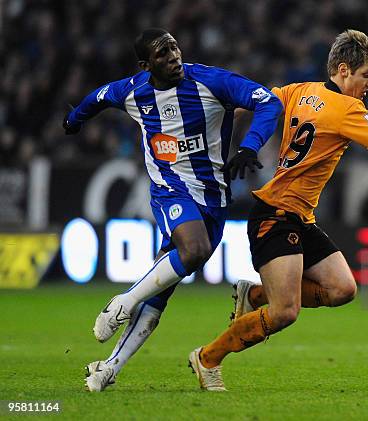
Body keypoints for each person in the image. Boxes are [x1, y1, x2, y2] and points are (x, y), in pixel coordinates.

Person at [188, 29, 368, 391]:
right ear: (344, 70)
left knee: (343, 289)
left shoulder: (299, 91)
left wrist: (202, 118)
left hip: (300, 217)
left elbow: (248, 103)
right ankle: (207, 358)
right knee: (285, 313)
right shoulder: (348, 109)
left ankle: (254, 295)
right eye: (367, 74)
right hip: (275, 215)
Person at [63, 28, 283, 392]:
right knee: (193, 251)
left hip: (213, 198)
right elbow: (98, 97)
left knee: (162, 293)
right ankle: (121, 303)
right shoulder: (134, 90)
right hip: (171, 190)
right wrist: (75, 121)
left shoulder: (211, 81)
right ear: (146, 64)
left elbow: (269, 102)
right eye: (162, 53)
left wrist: (249, 147)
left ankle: (109, 368)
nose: (173, 56)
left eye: (174, 47)